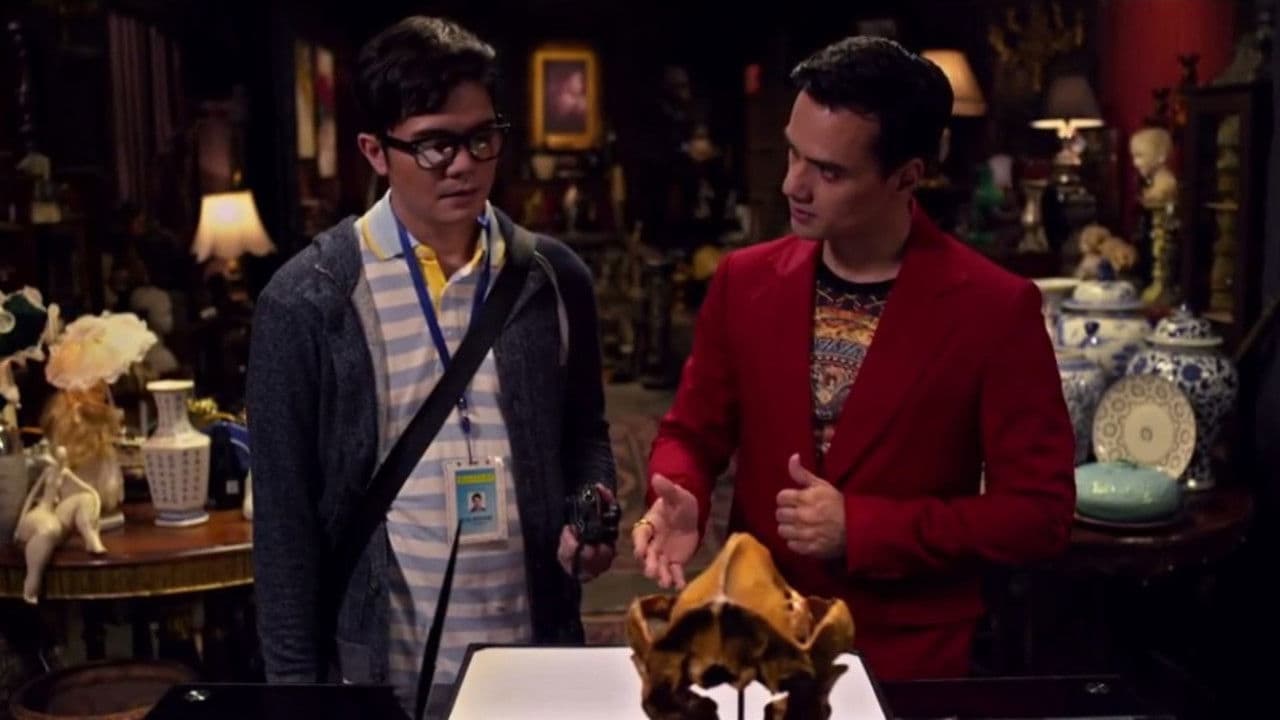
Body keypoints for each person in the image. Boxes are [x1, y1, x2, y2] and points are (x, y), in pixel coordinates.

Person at [632, 36, 1075, 681]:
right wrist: (681, 493)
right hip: (757, 637)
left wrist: (865, 528)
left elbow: (1039, 516)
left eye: (829, 172)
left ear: (907, 177)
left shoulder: (995, 309)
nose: (792, 184)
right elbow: (692, 435)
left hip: (907, 657)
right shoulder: (742, 281)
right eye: (793, 153)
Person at [246, 16, 617, 711]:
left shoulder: (552, 278)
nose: (464, 164)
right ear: (375, 151)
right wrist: (296, 697)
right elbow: (284, 528)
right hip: (386, 662)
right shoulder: (308, 300)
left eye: (481, 138)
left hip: (533, 643)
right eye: (435, 144)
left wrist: (590, 513)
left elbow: (585, 433)